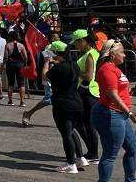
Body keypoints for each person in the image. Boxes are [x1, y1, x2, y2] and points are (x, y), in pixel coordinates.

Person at [91, 40, 136, 182]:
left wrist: (133, 90)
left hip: (119, 113)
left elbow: (119, 91)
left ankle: (130, 180)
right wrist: (130, 113)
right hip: (110, 113)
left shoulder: (114, 68)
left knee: (134, 149)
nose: (124, 55)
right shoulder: (107, 69)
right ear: (112, 54)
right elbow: (112, 96)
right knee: (110, 154)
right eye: (122, 52)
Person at [44, 41, 86, 173]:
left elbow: (45, 77)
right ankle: (80, 157)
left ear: (57, 53)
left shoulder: (59, 68)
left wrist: (46, 63)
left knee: (66, 133)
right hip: (76, 102)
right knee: (71, 130)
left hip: (63, 104)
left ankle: (70, 163)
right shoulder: (74, 65)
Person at [71, 29, 100, 163]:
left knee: (87, 124)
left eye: (76, 43)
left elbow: (88, 76)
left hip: (88, 91)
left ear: (82, 41)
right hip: (85, 91)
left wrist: (75, 71)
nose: (75, 46)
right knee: (82, 123)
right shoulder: (89, 53)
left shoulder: (90, 55)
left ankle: (93, 153)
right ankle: (92, 151)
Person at [22, 32, 60, 126]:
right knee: (48, 100)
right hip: (49, 75)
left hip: (59, 74)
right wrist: (58, 60)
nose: (58, 38)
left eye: (59, 37)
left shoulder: (61, 46)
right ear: (51, 38)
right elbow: (49, 60)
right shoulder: (48, 47)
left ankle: (63, 120)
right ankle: (28, 113)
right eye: (56, 37)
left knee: (60, 99)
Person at [4, 30, 28, 107]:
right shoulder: (21, 45)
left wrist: (4, 64)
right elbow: (25, 57)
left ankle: (10, 101)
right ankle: (22, 101)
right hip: (20, 65)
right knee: (21, 83)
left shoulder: (7, 45)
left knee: (11, 83)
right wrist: (24, 63)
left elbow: (6, 57)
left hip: (10, 65)